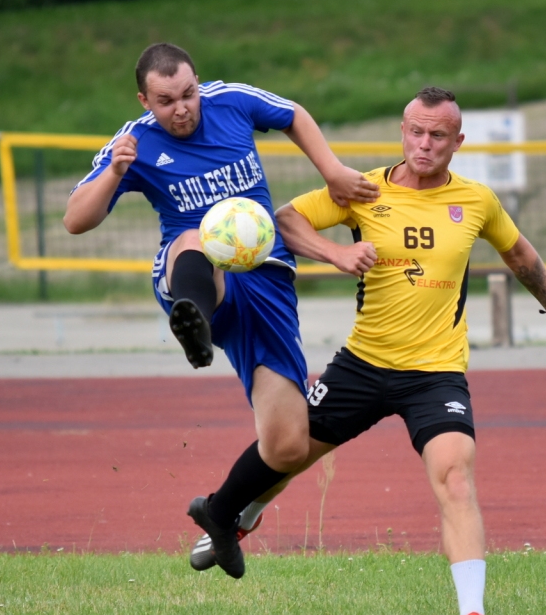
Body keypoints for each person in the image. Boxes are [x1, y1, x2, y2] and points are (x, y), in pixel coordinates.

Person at [190, 86, 546, 615]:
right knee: (289, 449)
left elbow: (520, 255)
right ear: (403, 132)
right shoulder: (361, 190)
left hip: (436, 374)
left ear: (458, 141)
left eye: (439, 136)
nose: (425, 145)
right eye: (416, 133)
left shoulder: (476, 201)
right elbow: (283, 219)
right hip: (362, 365)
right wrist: (335, 253)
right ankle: (233, 515)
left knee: (455, 477)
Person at [63, 42, 379, 579]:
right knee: (196, 237)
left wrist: (332, 170)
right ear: (145, 99)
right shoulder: (133, 141)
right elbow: (75, 220)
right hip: (195, 272)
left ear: (198, 82)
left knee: (286, 445)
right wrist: (116, 171)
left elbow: (293, 114)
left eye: (187, 93)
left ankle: (221, 513)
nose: (181, 108)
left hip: (269, 282)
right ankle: (194, 321)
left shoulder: (231, 101)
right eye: (166, 101)